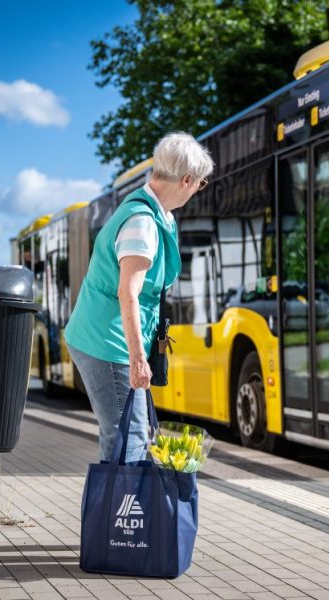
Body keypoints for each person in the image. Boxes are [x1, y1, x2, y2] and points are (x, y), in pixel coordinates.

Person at [64, 132, 214, 463]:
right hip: (108, 342)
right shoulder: (142, 222)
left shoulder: (155, 214)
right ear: (186, 180)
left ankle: (123, 510)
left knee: (131, 434)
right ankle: (120, 512)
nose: (196, 191)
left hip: (108, 338)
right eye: (199, 184)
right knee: (127, 436)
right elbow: (127, 292)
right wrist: (137, 359)